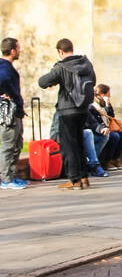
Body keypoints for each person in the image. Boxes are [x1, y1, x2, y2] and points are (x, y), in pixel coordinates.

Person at [38, 38, 97, 190]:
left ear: (60, 51)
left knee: (69, 145)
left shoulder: (62, 66)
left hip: (67, 110)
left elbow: (43, 82)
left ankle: (74, 180)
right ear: (72, 48)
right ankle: (84, 177)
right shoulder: (86, 63)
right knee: (79, 142)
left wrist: (56, 80)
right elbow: (94, 81)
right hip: (83, 108)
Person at [0, 36, 28, 191]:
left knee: (16, 145)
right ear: (12, 51)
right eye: (18, 48)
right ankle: (6, 179)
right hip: (9, 114)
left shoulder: (6, 66)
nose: (19, 51)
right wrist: (5, 94)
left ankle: (11, 175)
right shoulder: (4, 67)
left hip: (16, 112)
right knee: (9, 145)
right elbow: (1, 80)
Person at [93, 85, 122, 168]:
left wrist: (108, 105)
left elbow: (111, 116)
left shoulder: (104, 103)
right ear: (102, 94)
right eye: (108, 93)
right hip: (99, 128)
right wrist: (102, 128)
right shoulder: (93, 104)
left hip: (109, 127)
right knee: (114, 136)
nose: (110, 96)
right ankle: (107, 161)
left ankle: (115, 158)